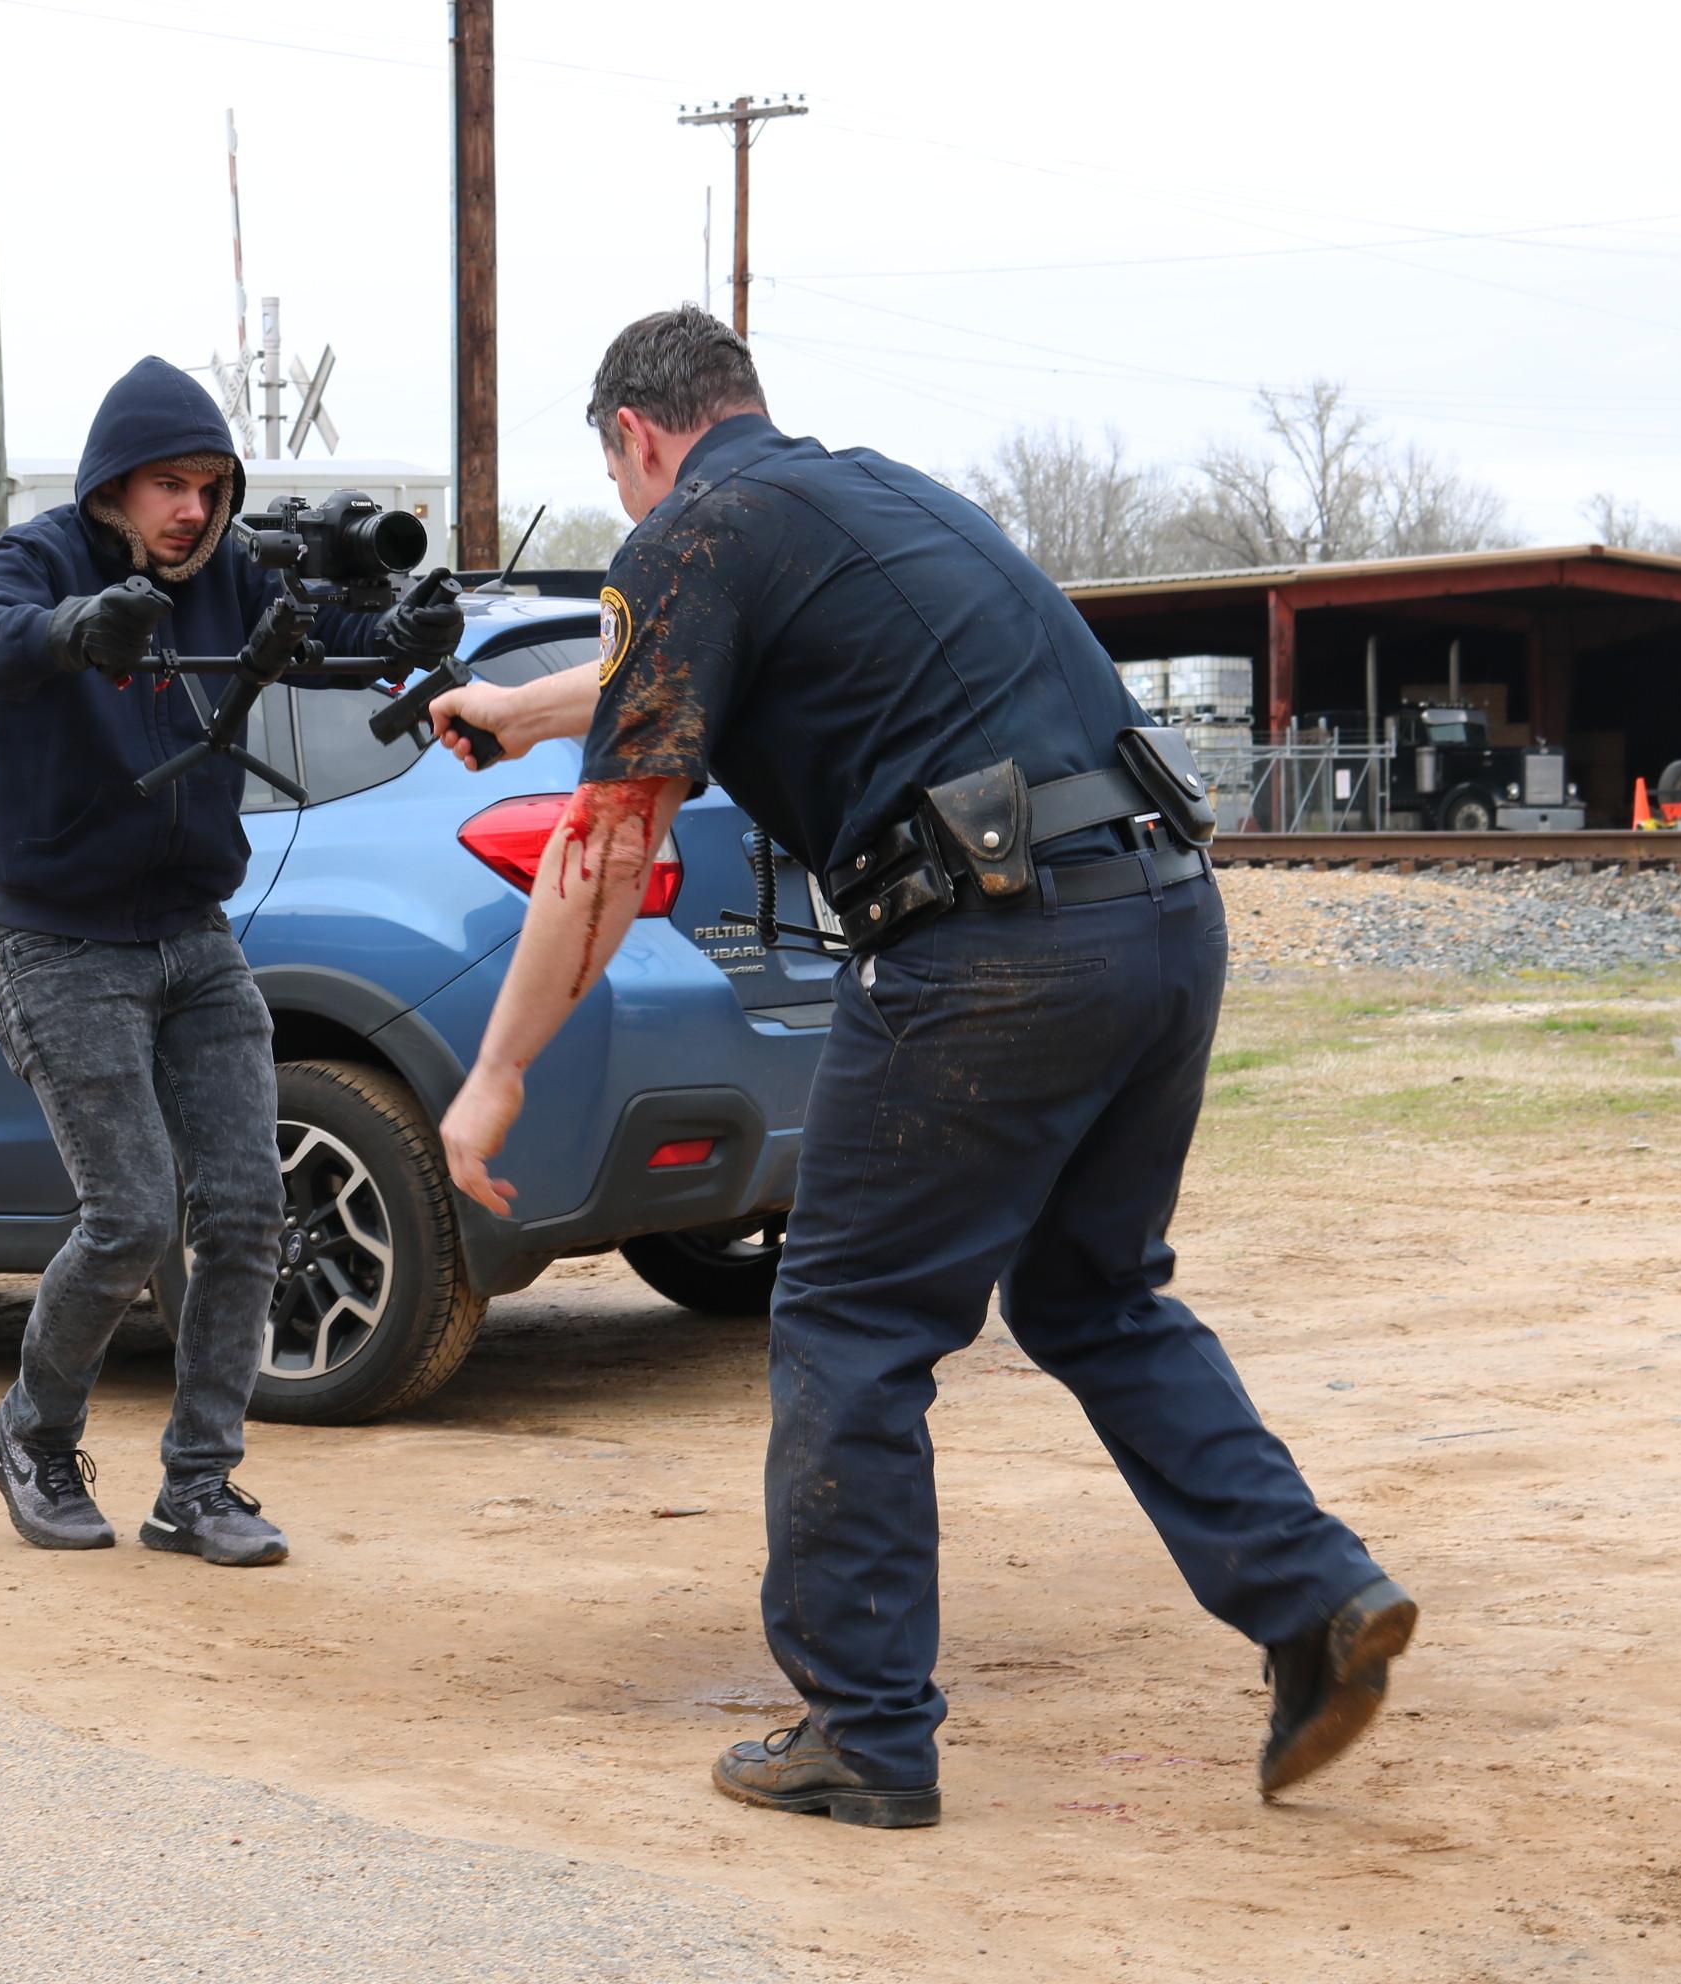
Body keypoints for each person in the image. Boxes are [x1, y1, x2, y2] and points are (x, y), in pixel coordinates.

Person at [427, 307, 1414, 1826]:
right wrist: (517, 711)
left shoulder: (687, 533)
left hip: (992, 951)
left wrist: (495, 1075)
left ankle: (867, 1731)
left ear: (635, 437)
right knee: (1095, 1294)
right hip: (1160, 916)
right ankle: (1314, 1599)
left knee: (845, 1322)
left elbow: (610, 844)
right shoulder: (869, 494)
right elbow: (677, 673)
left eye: (625, 483)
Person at [0, 356, 457, 1567]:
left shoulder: (230, 571)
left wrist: (403, 633)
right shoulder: (38, 562)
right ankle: (31, 1429)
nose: (192, 508)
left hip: (192, 932)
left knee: (245, 1210)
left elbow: (336, 637)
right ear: (112, 491)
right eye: (166, 486)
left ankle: (199, 1484)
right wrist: (80, 629)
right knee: (129, 1217)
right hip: (61, 942)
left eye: (211, 486)